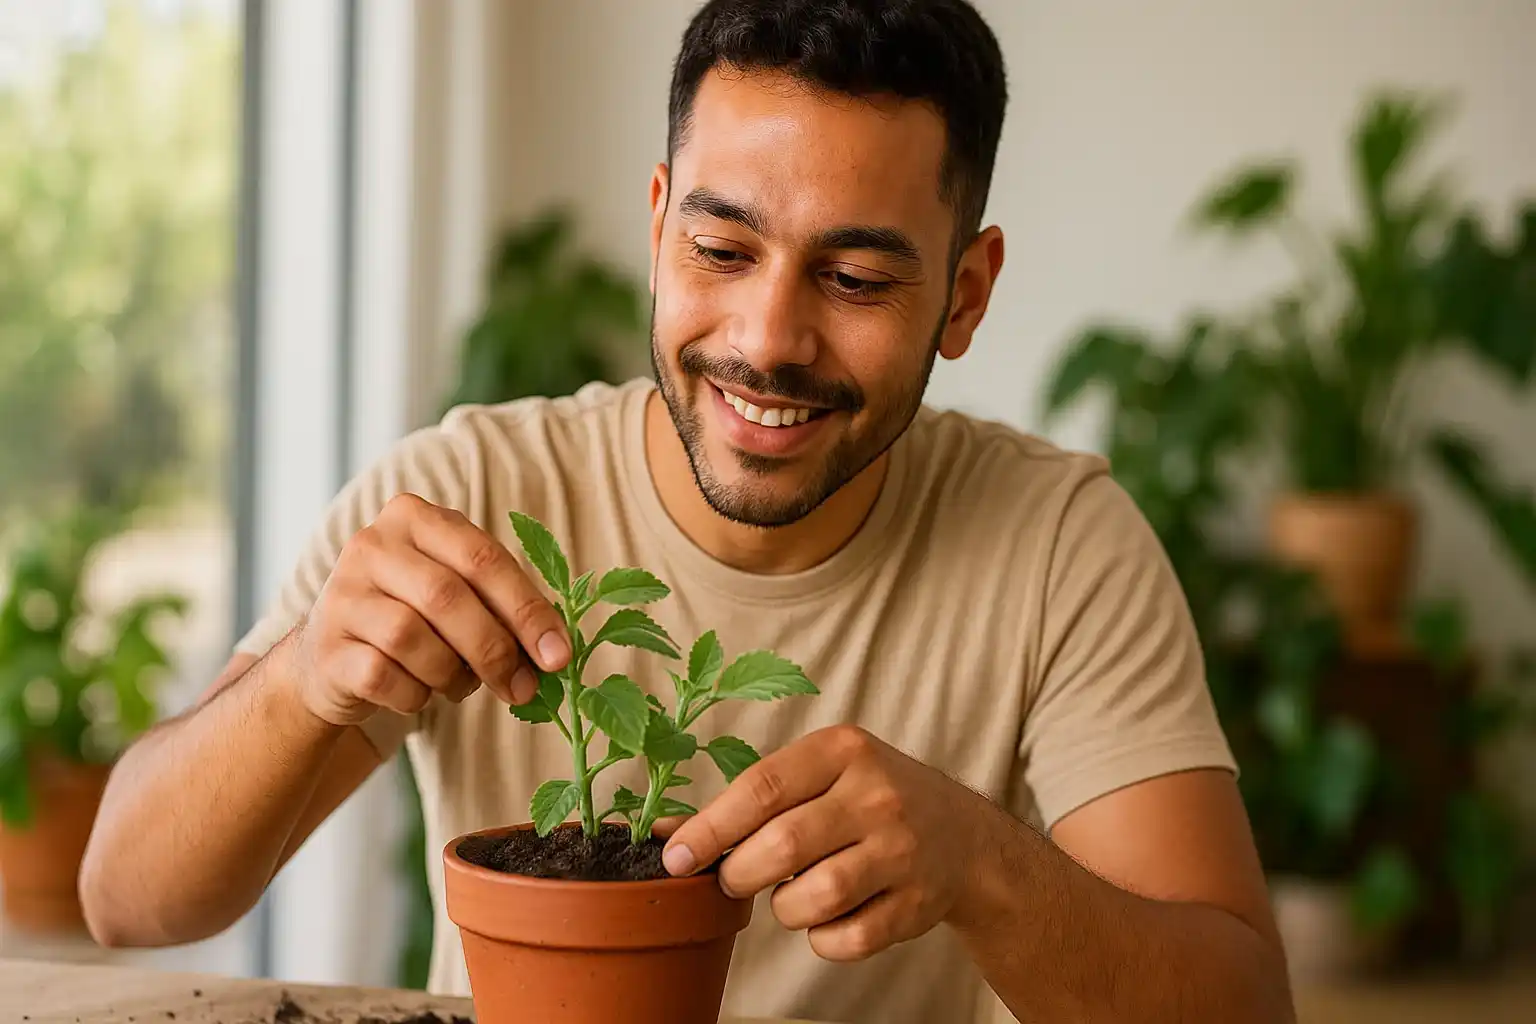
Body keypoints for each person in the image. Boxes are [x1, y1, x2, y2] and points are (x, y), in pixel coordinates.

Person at [80, 1, 1293, 1021]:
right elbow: (127, 898)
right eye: (721, 250)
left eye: (855, 277)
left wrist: (982, 862)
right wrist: (304, 681)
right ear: (659, 225)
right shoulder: (472, 493)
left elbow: (1244, 1003)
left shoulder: (1060, 543)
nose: (769, 339)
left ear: (965, 296)